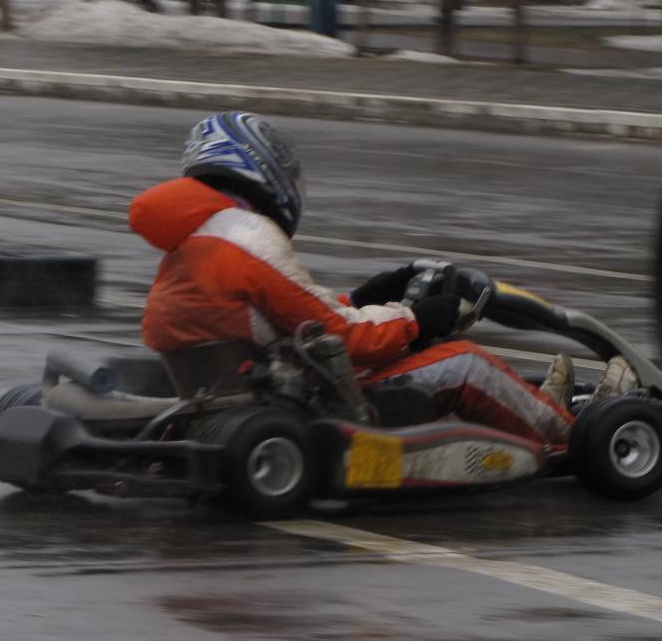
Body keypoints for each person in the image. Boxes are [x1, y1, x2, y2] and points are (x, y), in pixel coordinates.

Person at [128, 112, 631, 450]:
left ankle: (539, 408)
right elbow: (349, 339)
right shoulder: (249, 236)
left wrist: (365, 296)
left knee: (418, 348)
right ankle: (575, 433)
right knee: (467, 365)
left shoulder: (195, 242)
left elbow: (284, 318)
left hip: (251, 394)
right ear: (260, 165)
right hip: (318, 408)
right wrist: (418, 320)